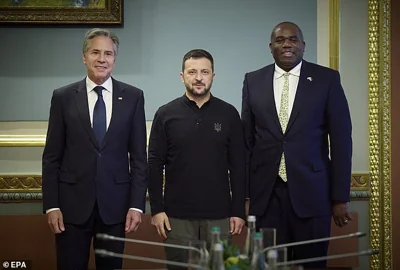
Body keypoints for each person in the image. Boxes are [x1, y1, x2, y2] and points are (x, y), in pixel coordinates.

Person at [241, 22, 353, 268]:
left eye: (293, 39)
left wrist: (340, 197)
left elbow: (342, 140)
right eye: (280, 40)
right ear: (271, 47)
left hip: (313, 195)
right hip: (266, 198)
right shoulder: (253, 80)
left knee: (311, 264)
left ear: (303, 45)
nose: (287, 44)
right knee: (268, 264)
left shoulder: (327, 79)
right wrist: (246, 195)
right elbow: (246, 143)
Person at [42, 28, 148, 270]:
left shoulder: (133, 97)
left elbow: (139, 157)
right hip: (70, 208)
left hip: (116, 208)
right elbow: (51, 157)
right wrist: (52, 205)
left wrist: (136, 204)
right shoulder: (63, 97)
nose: (102, 59)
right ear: (84, 56)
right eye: (96, 52)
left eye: (108, 54)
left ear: (114, 59)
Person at [148, 49, 246, 268]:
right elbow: (154, 165)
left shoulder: (229, 114)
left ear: (213, 76)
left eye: (205, 72)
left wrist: (238, 211)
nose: (199, 77)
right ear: (182, 76)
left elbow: (239, 166)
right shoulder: (165, 114)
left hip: (220, 218)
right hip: (176, 218)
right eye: (192, 72)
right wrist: (156, 209)